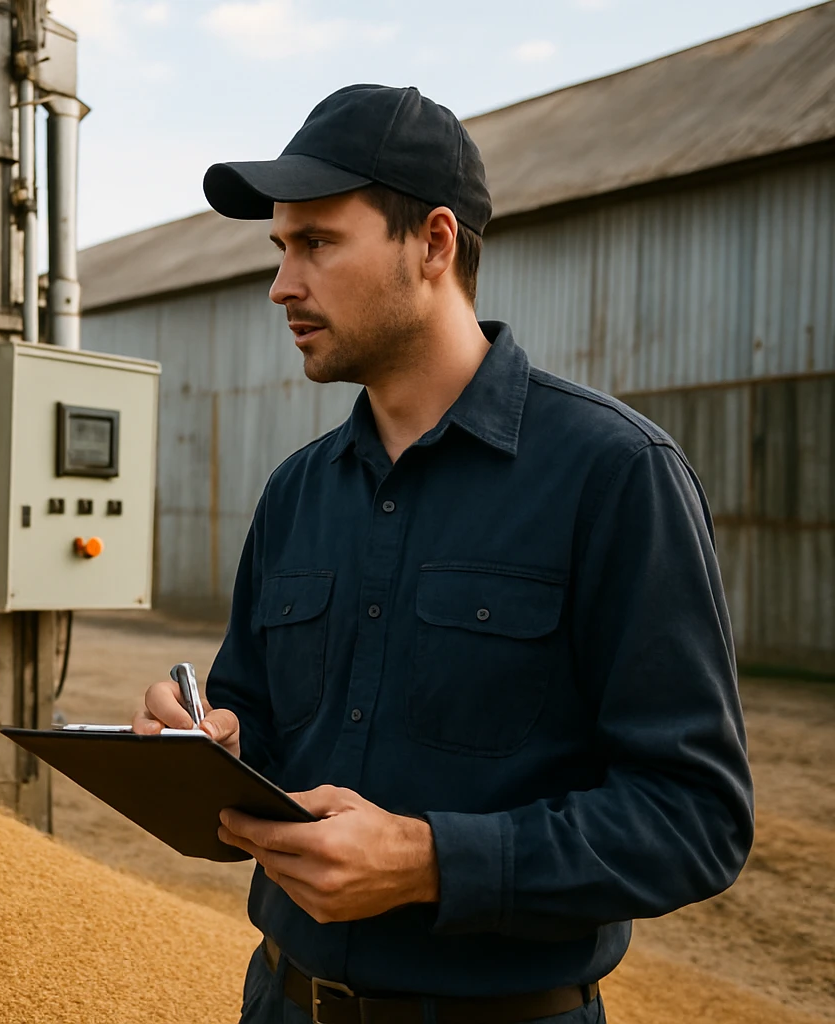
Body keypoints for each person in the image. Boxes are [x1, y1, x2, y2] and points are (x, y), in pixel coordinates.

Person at [133, 84, 753, 1024]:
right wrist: (208, 749)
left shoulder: (615, 475)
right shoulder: (297, 492)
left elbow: (695, 818)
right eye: (279, 248)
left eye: (318, 243)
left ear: (433, 243)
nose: (281, 285)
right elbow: (255, 718)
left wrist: (431, 863)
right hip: (280, 1001)